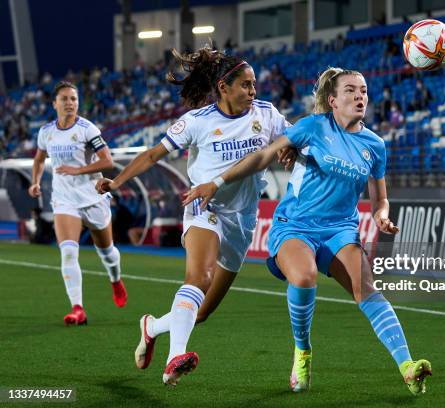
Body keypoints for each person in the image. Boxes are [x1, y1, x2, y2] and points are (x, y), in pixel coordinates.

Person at [184, 67, 432, 395]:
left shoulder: (374, 145)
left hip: (340, 229)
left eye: (364, 90)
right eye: (350, 90)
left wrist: (382, 216)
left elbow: (380, 198)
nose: (360, 96)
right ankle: (302, 351)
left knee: (366, 288)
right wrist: (216, 182)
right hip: (295, 224)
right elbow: (263, 156)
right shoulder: (313, 127)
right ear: (332, 100)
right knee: (304, 277)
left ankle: (407, 367)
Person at [95, 47, 295, 386]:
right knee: (198, 278)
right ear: (223, 87)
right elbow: (153, 155)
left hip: (243, 220)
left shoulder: (267, 114)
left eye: (254, 85)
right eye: (245, 85)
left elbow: (294, 138)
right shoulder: (197, 122)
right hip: (204, 208)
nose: (252, 91)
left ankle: (152, 327)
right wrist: (116, 180)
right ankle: (175, 359)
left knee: (200, 313)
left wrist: (290, 149)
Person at [28, 81, 128, 326]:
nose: (70, 103)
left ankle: (115, 280)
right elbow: (39, 159)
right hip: (64, 200)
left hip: (93, 197)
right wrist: (35, 181)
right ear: (55, 104)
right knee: (69, 251)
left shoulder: (87, 129)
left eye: (73, 99)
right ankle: (78, 308)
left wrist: (79, 170)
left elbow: (107, 161)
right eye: (65, 99)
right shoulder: (46, 132)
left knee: (107, 252)